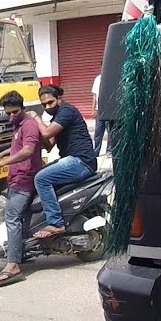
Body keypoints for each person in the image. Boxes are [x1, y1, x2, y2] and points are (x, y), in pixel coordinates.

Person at [0, 90, 43, 286]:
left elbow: (27, 150)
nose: (11, 116)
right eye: (8, 113)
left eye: (15, 112)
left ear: (23, 108)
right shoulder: (18, 125)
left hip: (24, 180)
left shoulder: (28, 125)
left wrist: (2, 163)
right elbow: (17, 147)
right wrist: (0, 154)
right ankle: (22, 251)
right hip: (16, 179)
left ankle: (13, 265)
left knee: (12, 218)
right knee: (19, 217)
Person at [30, 85, 97, 239]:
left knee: (41, 179)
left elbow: (47, 133)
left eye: (50, 103)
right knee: (37, 174)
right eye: (44, 105)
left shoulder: (67, 111)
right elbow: (49, 144)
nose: (47, 107)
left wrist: (35, 117)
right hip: (70, 160)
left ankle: (56, 223)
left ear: (59, 99)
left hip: (81, 161)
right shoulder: (57, 118)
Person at [90, 73, 114, 156]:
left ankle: (110, 150)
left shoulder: (110, 78)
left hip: (108, 109)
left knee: (110, 131)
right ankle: (96, 151)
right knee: (98, 132)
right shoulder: (97, 79)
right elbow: (94, 96)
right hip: (99, 110)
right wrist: (93, 109)